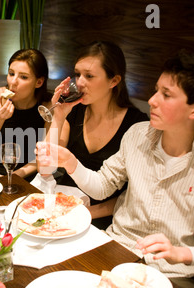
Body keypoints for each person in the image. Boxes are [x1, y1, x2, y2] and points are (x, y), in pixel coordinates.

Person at [36, 51, 194, 288]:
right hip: (115, 250)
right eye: (156, 89)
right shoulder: (138, 134)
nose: (152, 100)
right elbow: (102, 187)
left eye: (166, 95)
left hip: (174, 273)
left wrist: (183, 253)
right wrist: (72, 163)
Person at [42, 41, 148, 229]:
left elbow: (134, 195)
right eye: (78, 74)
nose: (80, 82)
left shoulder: (136, 125)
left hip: (104, 216)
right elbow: (46, 167)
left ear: (114, 81)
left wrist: (86, 213)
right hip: (63, 203)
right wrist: (57, 118)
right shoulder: (74, 112)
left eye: (89, 76)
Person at [0, 49, 52, 181]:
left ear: (38, 82)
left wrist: (15, 175)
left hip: (28, 174)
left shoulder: (47, 106)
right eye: (11, 74)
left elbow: (45, 156)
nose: (13, 82)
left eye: (23, 77)